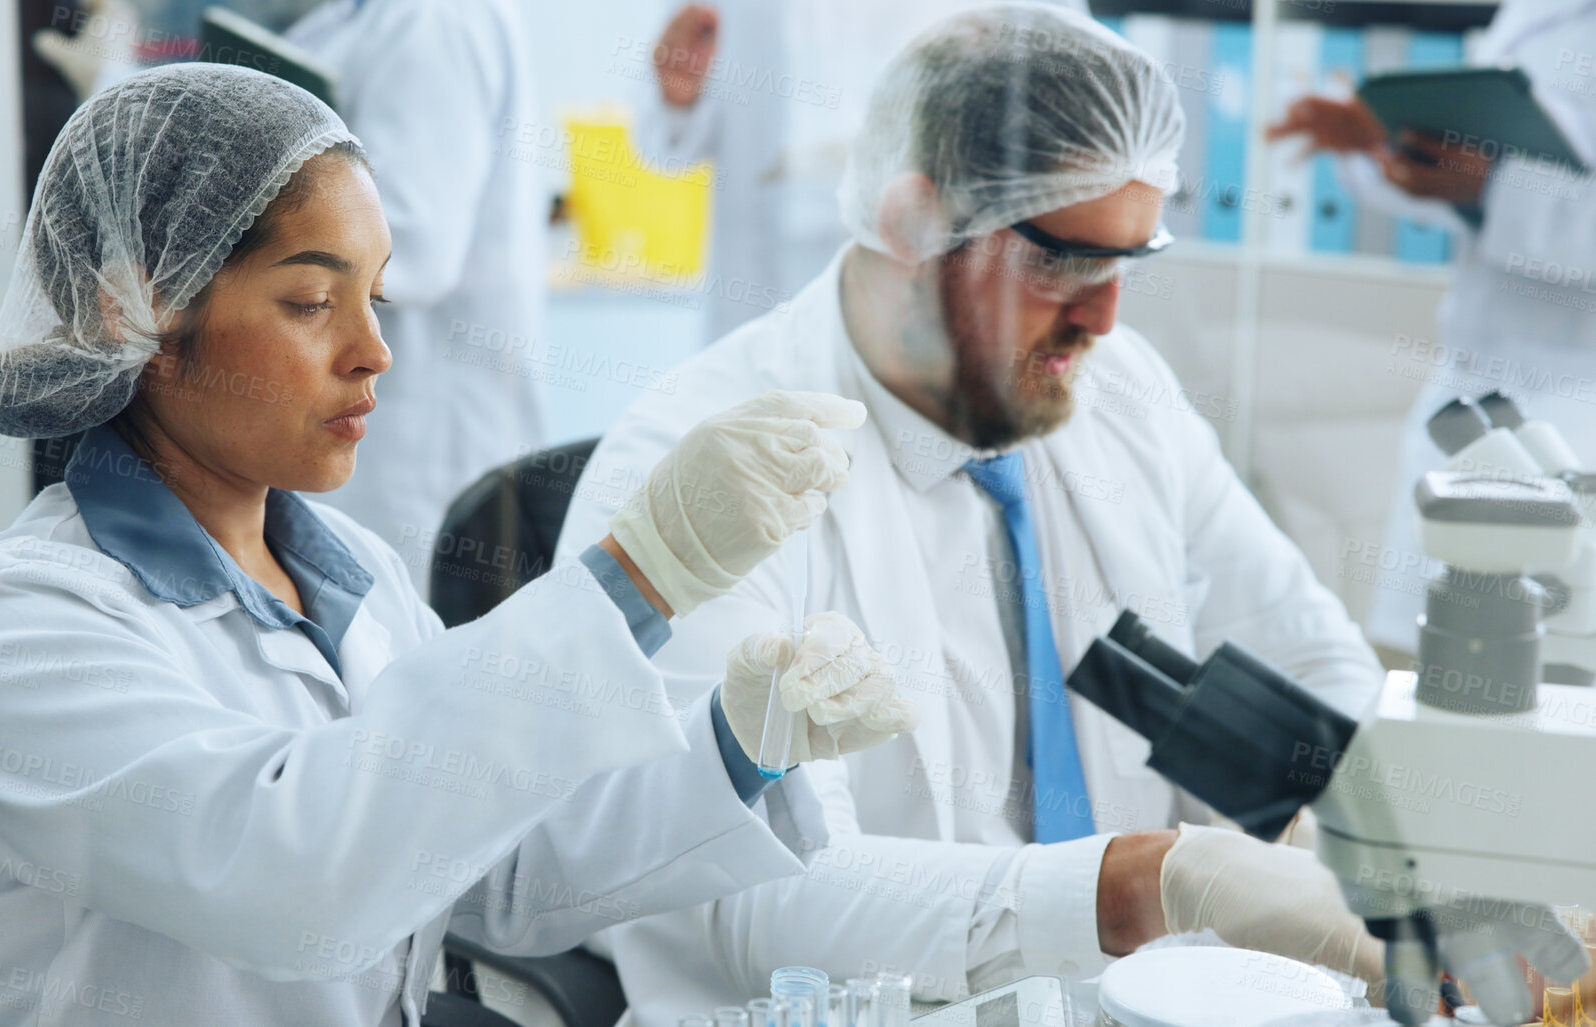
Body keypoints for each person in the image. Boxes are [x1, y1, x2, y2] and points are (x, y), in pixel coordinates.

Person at [0, 63, 919, 1026]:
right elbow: (295, 879)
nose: (374, 351)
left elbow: (493, 866)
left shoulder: (350, 575)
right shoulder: (15, 627)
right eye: (312, 303)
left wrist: (742, 741)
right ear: (138, 313)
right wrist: (639, 575)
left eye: (376, 298)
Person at [559, 7, 1400, 1020]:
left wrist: (1334, 825)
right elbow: (746, 897)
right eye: (1063, 262)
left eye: (1126, 262)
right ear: (913, 222)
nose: (1103, 317)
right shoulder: (708, 472)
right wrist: (1139, 884)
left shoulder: (1120, 390)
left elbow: (1313, 655)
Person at [1268, 0, 1596, 655]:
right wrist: (1389, 145)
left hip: (1574, 399)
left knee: (1545, 663)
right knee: (1425, 658)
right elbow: (1472, 185)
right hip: (1470, 386)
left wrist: (1493, 188)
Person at [281, 0, 550, 587]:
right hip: (374, 416)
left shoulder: (435, 19)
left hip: (420, 428)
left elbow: (415, 246)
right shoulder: (371, 17)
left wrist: (251, 243)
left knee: (398, 616)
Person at [630, 0, 1087, 342]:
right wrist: (676, 91)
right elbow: (663, 144)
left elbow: (1079, 114)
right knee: (765, 426)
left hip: (939, 280)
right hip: (762, 287)